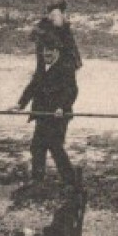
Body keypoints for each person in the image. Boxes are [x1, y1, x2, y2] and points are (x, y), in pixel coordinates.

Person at [16, 27, 80, 188]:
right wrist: (20, 104)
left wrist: (62, 107)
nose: (47, 56)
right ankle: (38, 179)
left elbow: (72, 91)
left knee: (55, 146)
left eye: (50, 53)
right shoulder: (42, 67)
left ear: (57, 52)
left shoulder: (66, 68)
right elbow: (32, 86)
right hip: (42, 114)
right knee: (37, 147)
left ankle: (70, 180)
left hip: (58, 116)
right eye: (45, 52)